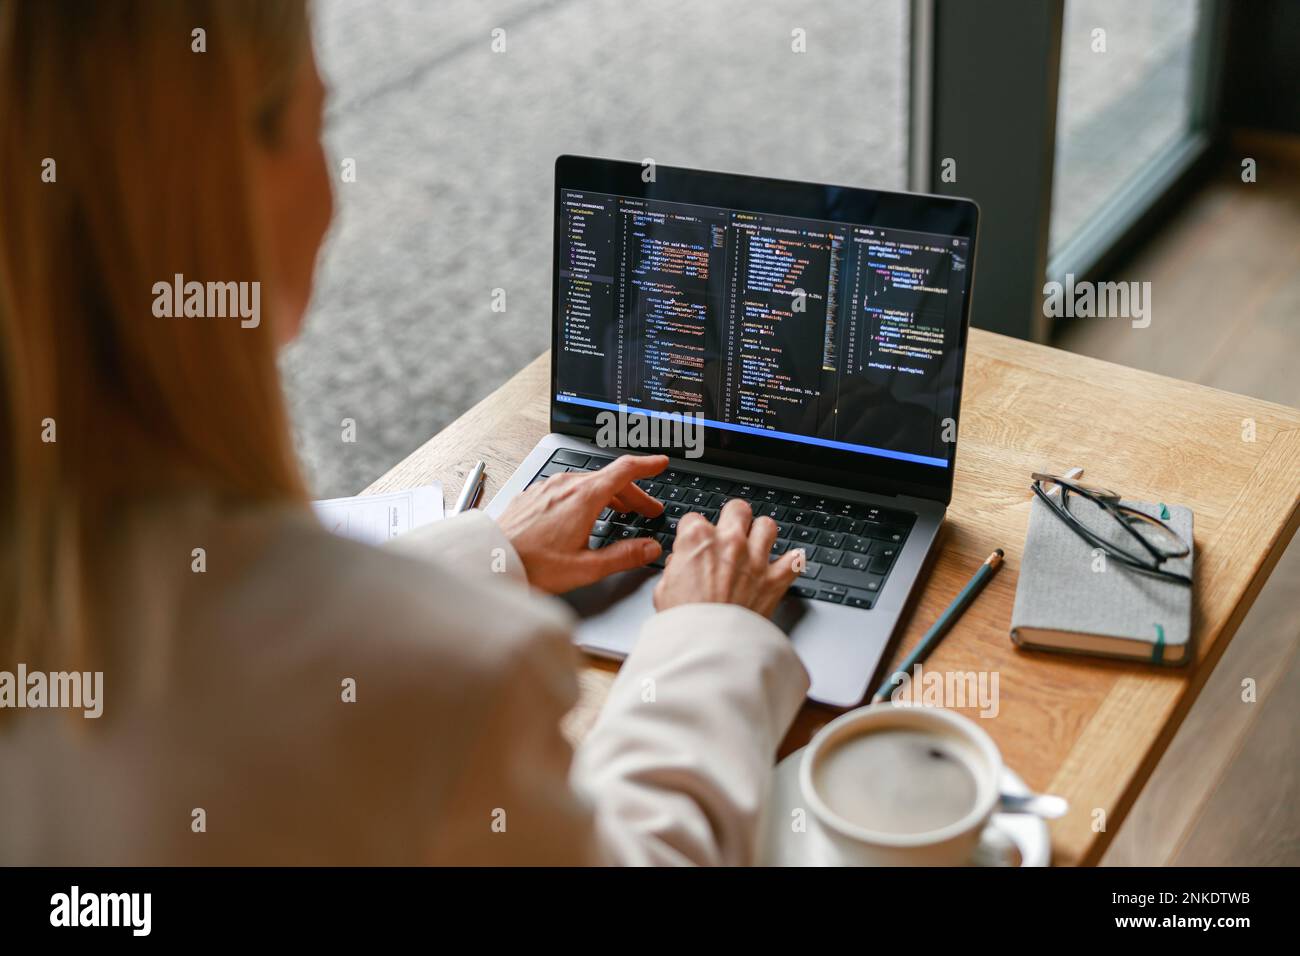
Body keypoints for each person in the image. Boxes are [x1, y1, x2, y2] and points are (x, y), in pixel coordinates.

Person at [0, 0, 808, 865]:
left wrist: (486, 555)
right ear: (220, 191)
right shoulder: (445, 686)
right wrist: (707, 637)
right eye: (319, 121)